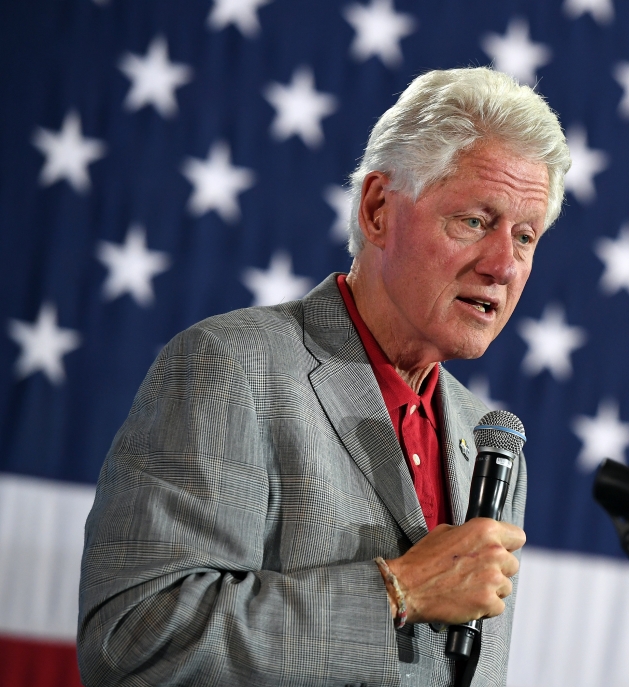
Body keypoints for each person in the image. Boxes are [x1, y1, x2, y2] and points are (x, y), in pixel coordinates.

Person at [77, 67, 571, 687]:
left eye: (525, 236)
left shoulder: (489, 444)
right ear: (377, 211)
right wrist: (398, 591)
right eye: (474, 220)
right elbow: (137, 643)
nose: (502, 264)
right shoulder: (230, 370)